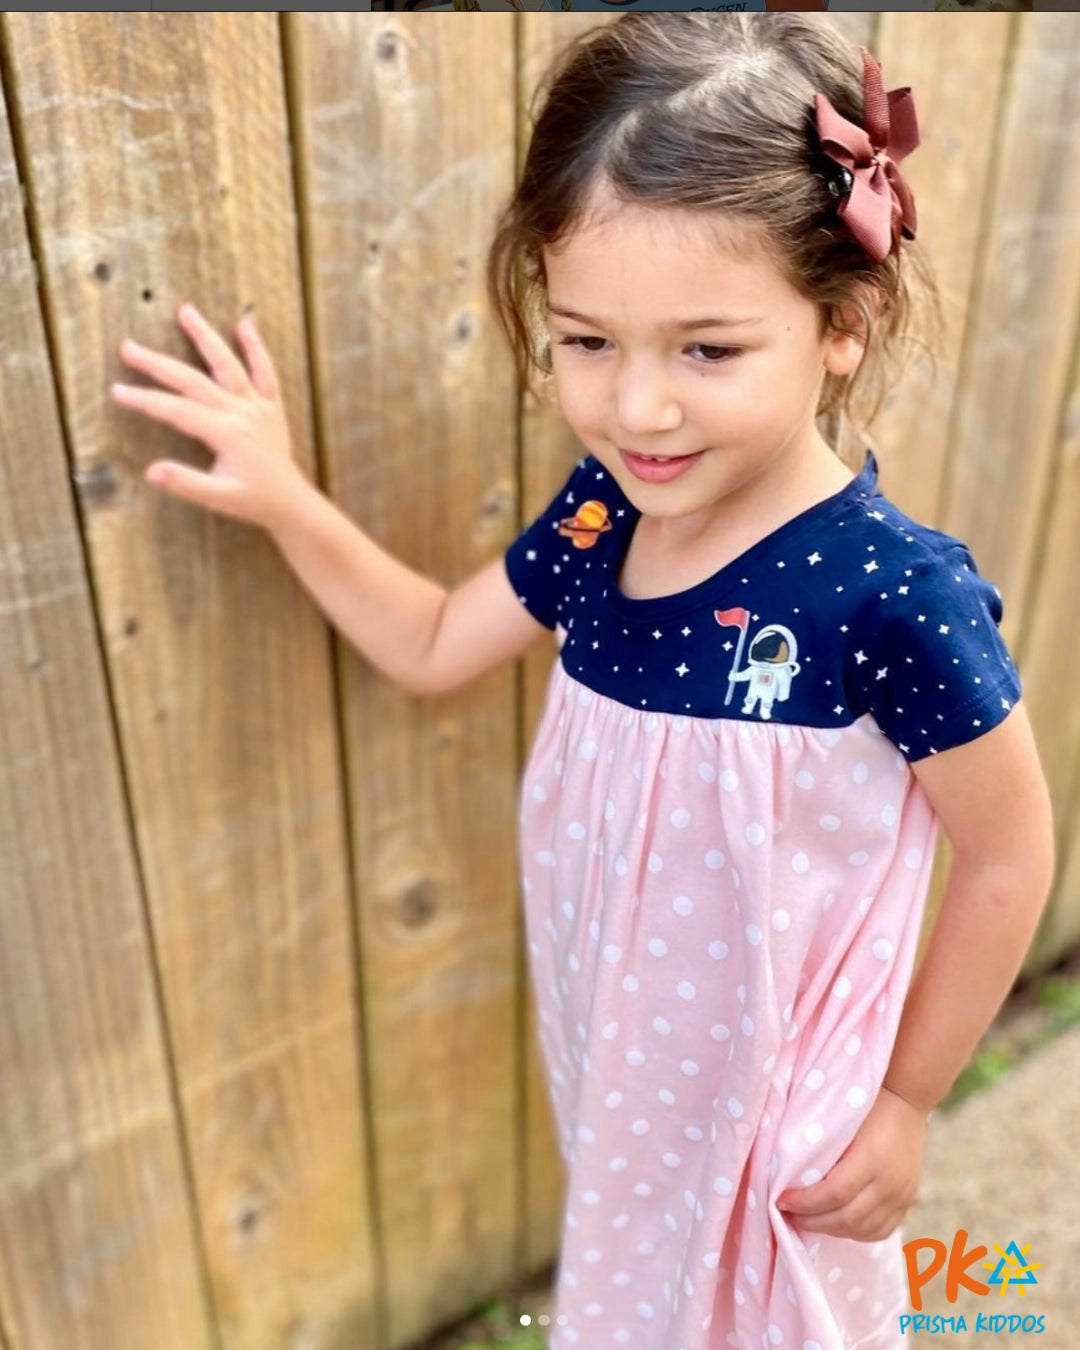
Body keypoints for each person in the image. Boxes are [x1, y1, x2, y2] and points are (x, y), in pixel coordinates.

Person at [109, 14, 1054, 1348]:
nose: (637, 409)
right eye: (587, 341)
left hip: (781, 1125)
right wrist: (282, 496)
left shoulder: (891, 591)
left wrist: (904, 1101)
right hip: (627, 1082)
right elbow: (438, 641)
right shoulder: (604, 520)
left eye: (706, 349)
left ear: (841, 324)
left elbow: (1012, 852)